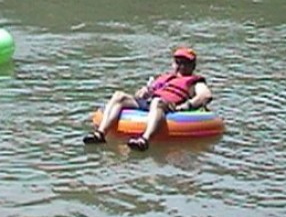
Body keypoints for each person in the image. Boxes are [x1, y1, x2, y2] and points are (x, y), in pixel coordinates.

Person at [83, 47, 213, 151]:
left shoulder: (195, 82)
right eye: (177, 62)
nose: (180, 66)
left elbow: (205, 95)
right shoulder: (164, 78)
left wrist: (186, 106)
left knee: (157, 102)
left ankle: (144, 140)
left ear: (192, 66)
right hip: (148, 102)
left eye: (185, 63)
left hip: (167, 105)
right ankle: (100, 134)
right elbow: (140, 94)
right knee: (119, 96)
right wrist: (143, 92)